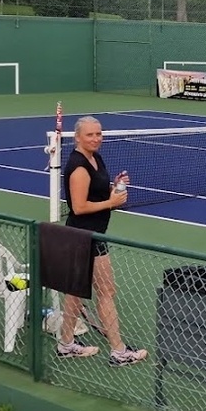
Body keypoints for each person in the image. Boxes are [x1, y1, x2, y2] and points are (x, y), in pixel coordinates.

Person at [56, 115, 148, 366]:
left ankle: (65, 344)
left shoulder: (95, 159)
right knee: (106, 291)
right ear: (77, 138)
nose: (96, 138)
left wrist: (114, 188)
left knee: (75, 293)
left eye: (99, 134)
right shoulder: (78, 167)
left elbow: (95, 195)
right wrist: (111, 202)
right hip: (84, 237)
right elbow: (79, 207)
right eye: (90, 134)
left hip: (91, 234)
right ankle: (118, 351)